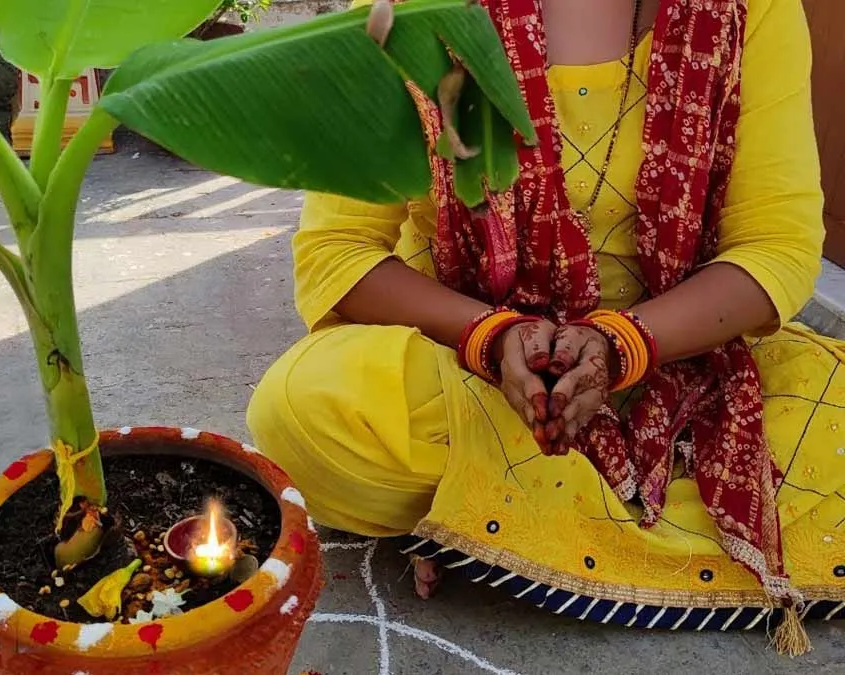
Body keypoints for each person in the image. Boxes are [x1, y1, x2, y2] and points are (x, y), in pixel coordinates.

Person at [247, 0, 844, 654]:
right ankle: (523, 514)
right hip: (468, 375)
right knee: (304, 410)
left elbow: (776, 246)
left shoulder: (748, 9)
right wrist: (493, 336)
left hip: (681, 366)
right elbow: (338, 251)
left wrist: (621, 344)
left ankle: (479, 521)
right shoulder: (404, 10)